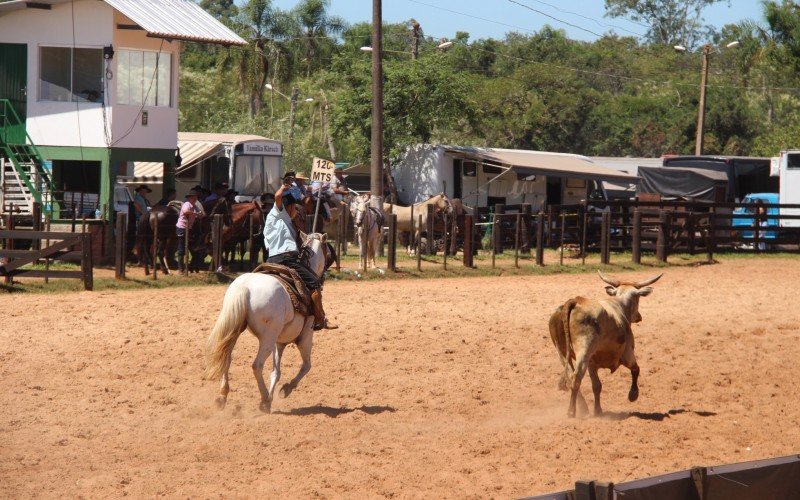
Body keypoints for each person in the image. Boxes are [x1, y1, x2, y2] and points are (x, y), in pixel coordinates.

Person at [263, 177, 337, 330]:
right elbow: (277, 196)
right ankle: (320, 318)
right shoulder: (279, 213)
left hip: (271, 259)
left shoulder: (280, 221)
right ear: (288, 207)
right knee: (314, 283)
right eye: (295, 209)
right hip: (286, 259)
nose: (296, 212)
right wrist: (284, 187)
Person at [176, 189, 203, 273]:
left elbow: (201, 214)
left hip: (189, 229)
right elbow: (186, 211)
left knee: (193, 249)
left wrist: (200, 214)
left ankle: (190, 267)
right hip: (182, 228)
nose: (195, 199)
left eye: (196, 197)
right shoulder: (186, 204)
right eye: (194, 197)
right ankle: (181, 269)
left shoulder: (195, 206)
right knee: (181, 249)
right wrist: (196, 214)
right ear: (190, 198)